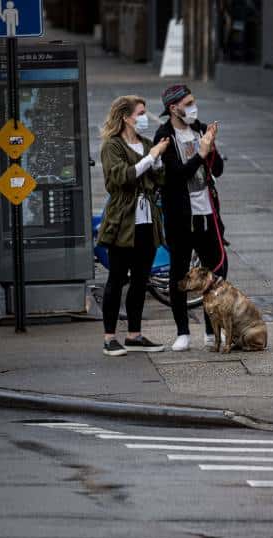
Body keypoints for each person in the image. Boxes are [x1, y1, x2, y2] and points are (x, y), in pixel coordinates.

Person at [152, 84, 226, 352]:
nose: (194, 107)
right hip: (180, 216)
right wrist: (201, 154)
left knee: (216, 270)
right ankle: (182, 331)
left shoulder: (200, 129)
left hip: (207, 213)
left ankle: (210, 330)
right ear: (174, 108)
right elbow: (176, 176)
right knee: (180, 274)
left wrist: (211, 147)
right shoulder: (164, 136)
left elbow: (218, 168)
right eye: (189, 103)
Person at [97, 95, 169, 356]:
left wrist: (157, 161)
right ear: (126, 117)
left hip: (146, 221)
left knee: (140, 280)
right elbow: (121, 178)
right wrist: (151, 158)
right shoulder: (112, 146)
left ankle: (134, 335)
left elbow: (159, 179)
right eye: (140, 113)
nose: (143, 118)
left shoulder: (148, 144)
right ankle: (109, 338)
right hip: (122, 220)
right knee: (116, 278)